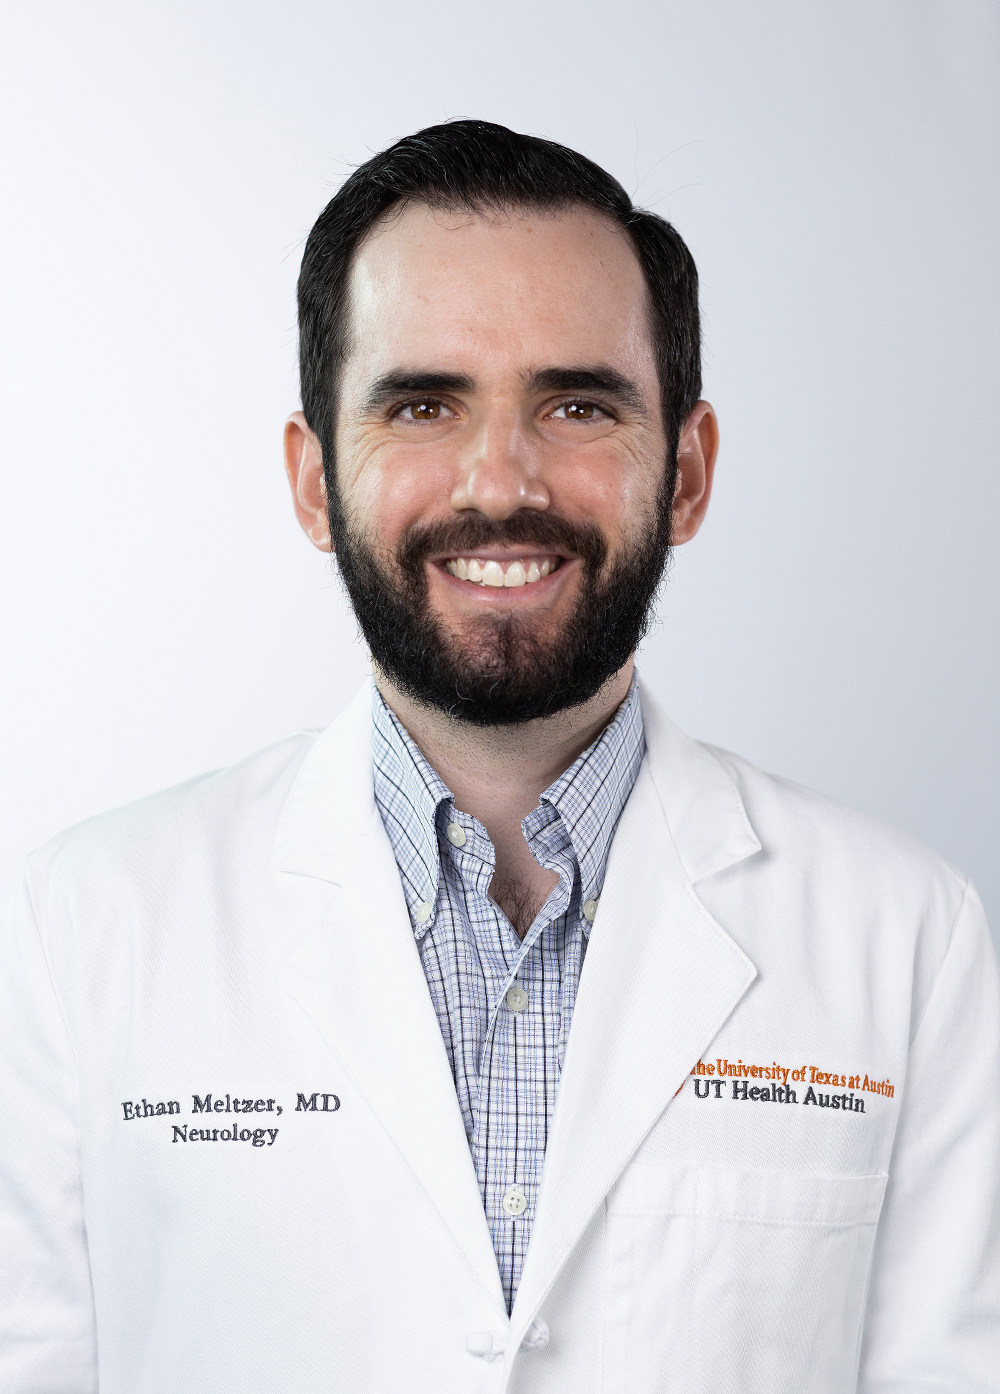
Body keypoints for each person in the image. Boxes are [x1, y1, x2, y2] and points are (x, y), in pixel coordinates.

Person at [1, 119, 997, 1394]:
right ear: (314, 481)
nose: (499, 478)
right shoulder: (84, 924)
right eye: (424, 403)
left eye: (576, 403)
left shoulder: (903, 937)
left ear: (685, 472)